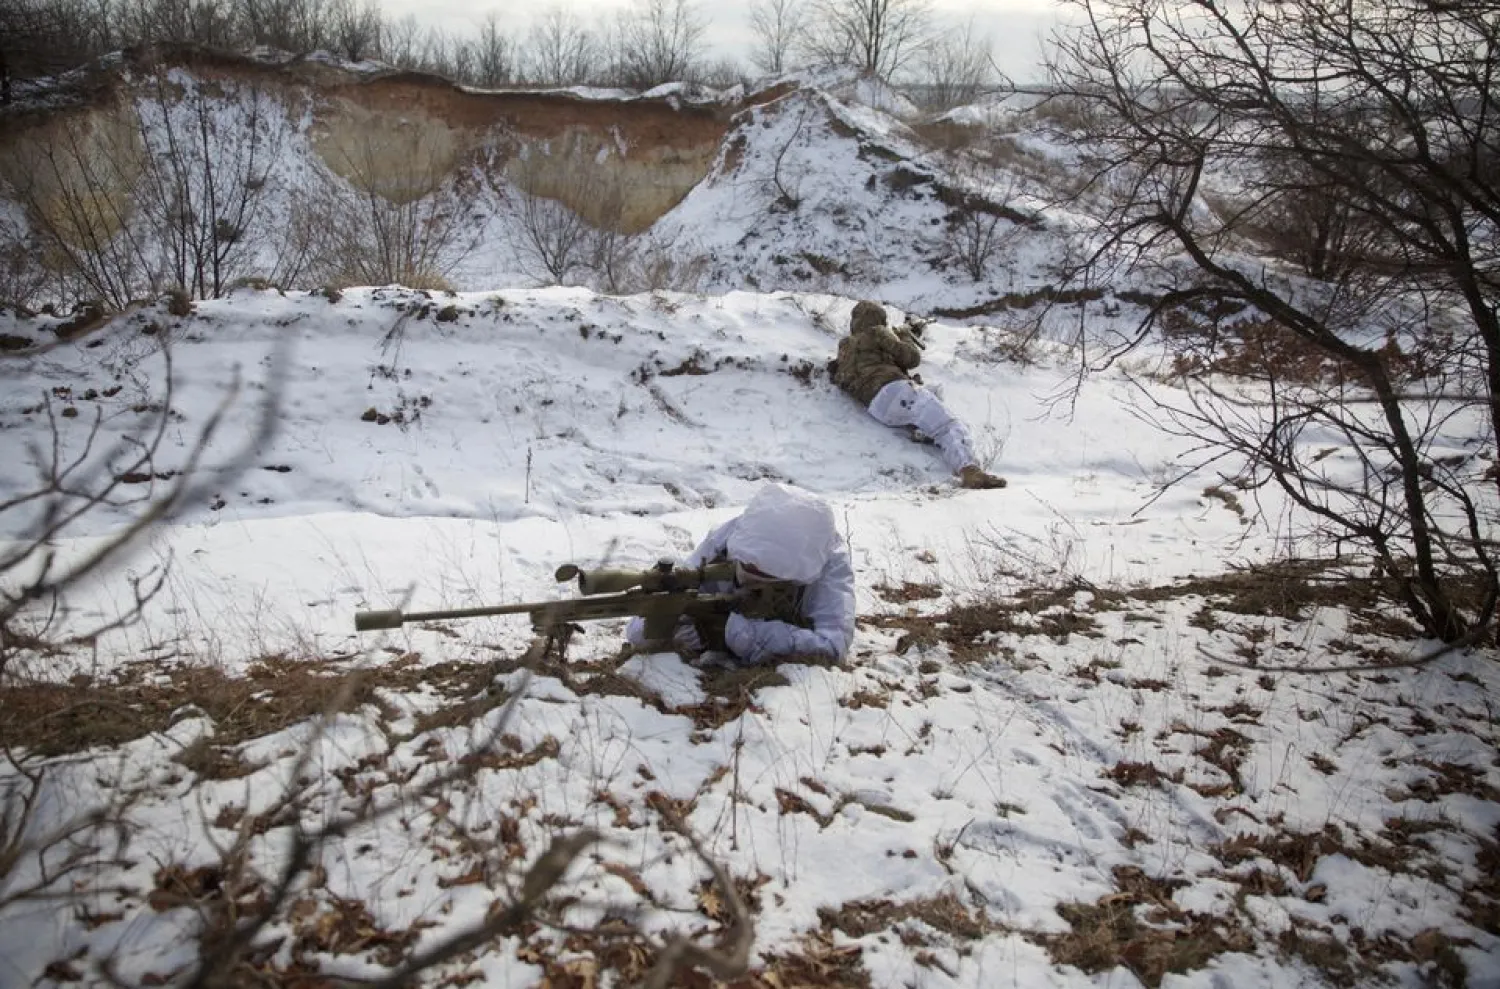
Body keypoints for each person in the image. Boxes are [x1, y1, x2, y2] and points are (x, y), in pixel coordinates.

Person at [624, 484, 855, 666]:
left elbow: (833, 648)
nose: (748, 578)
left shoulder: (826, 561)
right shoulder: (731, 538)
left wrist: (738, 634)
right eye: (744, 567)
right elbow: (639, 631)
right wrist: (692, 629)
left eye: (761, 576)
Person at [832, 300, 1007, 489]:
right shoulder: (878, 332)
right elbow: (911, 358)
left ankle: (921, 431)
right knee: (948, 425)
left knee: (931, 394)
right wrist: (905, 337)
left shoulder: (846, 345)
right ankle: (970, 471)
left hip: (876, 406)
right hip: (894, 391)